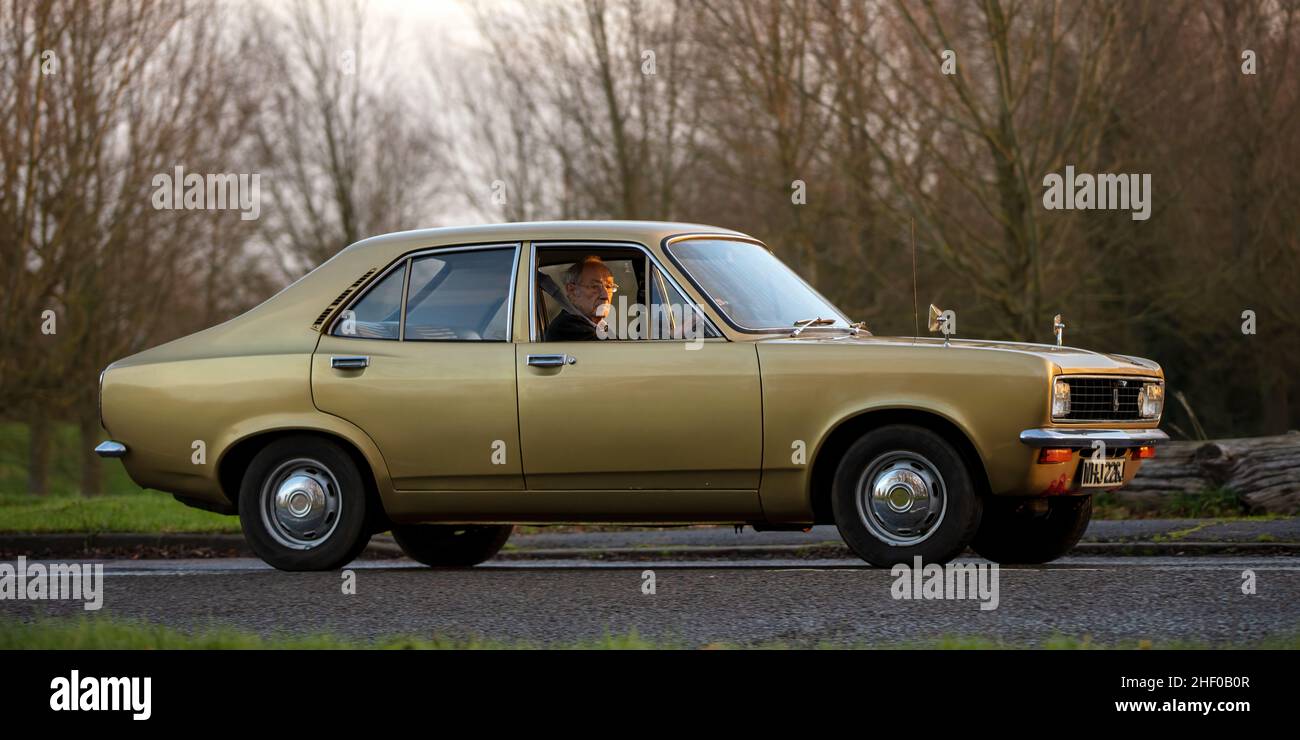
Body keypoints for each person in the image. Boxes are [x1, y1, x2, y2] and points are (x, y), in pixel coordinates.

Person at [545, 255, 617, 341]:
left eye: (609, 286)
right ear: (572, 290)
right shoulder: (568, 329)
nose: (605, 296)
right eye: (595, 286)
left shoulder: (598, 326)